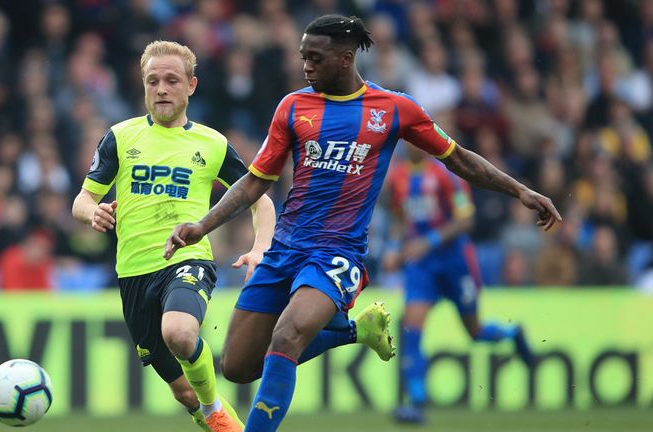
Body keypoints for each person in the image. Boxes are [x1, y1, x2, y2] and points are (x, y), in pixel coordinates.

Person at [165, 15, 561, 432]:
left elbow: (458, 157)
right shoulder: (293, 107)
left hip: (338, 253)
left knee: (286, 337)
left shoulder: (394, 109)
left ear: (346, 58)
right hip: (285, 248)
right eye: (303, 58)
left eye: (315, 58)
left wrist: (521, 191)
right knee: (238, 366)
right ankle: (356, 331)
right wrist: (202, 226)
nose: (306, 67)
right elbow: (253, 183)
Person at [72, 40, 276, 432]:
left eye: (171, 80)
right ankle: (217, 417)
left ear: (191, 85)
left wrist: (260, 248)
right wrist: (91, 212)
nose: (161, 88)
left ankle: (215, 408)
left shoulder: (212, 144)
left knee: (180, 334)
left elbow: (260, 200)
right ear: (143, 86)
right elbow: (82, 199)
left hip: (186, 259)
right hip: (133, 272)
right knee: (184, 394)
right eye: (153, 81)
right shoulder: (119, 137)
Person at [382, 143, 534, 424]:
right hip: (422, 266)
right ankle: (415, 403)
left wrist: (429, 241)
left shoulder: (446, 175)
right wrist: (394, 246)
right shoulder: (399, 177)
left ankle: (512, 334)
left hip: (455, 262)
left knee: (475, 332)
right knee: (411, 328)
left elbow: (466, 219)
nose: (409, 143)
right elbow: (400, 220)